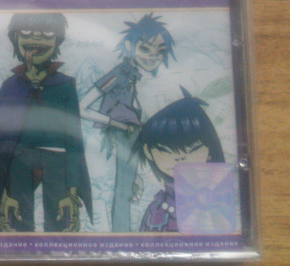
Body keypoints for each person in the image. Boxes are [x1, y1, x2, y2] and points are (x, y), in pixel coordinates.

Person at [0, 13, 92, 232]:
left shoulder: (65, 84)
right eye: (27, 32)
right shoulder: (11, 85)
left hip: (58, 161)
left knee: (60, 224)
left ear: (57, 40)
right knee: (18, 223)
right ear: (16, 38)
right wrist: (3, 189)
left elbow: (73, 138)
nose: (36, 39)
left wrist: (73, 189)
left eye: (47, 34)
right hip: (18, 160)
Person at [79, 13, 175, 232]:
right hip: (125, 134)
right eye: (145, 49)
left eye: (159, 51)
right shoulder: (120, 74)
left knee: (130, 186)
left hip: (137, 135)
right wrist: (117, 124)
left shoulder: (138, 77)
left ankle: (123, 233)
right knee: (123, 190)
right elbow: (83, 107)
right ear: (130, 46)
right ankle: (121, 235)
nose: (152, 57)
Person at [132, 87, 225, 232]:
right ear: (148, 152)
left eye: (193, 149)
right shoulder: (157, 209)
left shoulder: (220, 197)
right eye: (167, 150)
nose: (180, 158)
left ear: (210, 149)